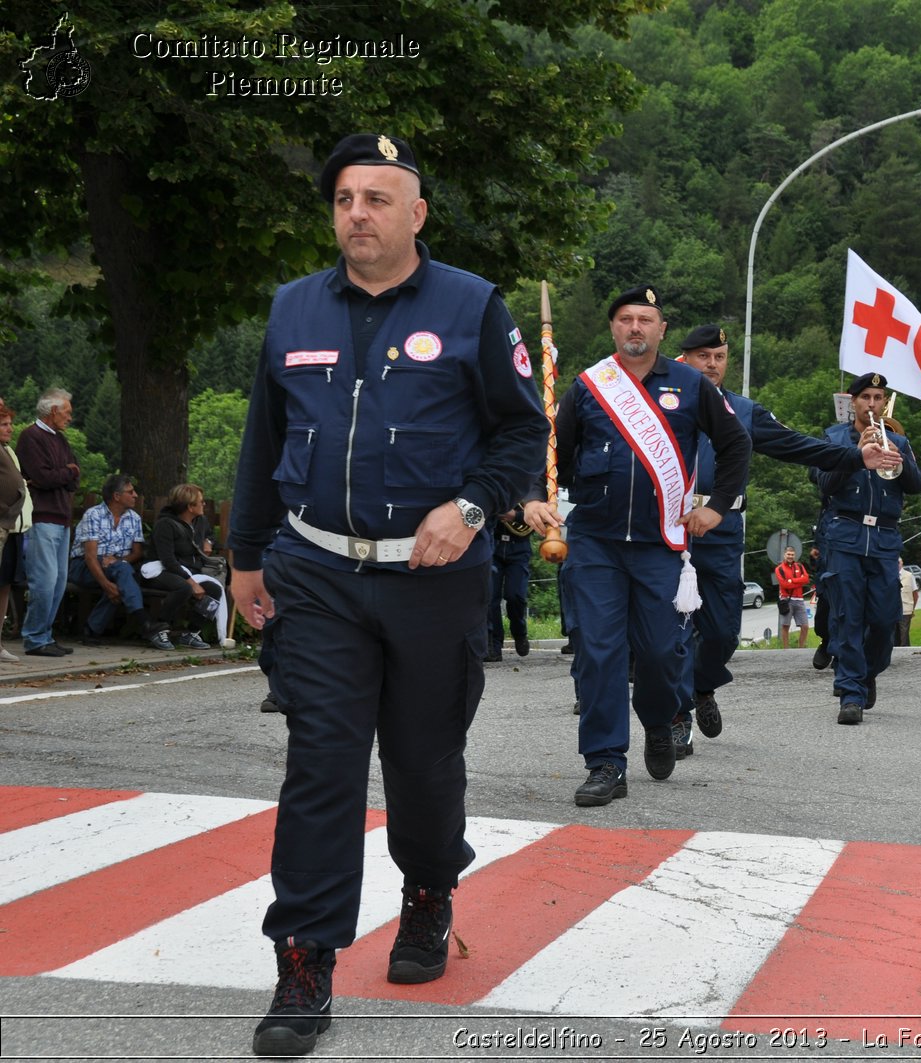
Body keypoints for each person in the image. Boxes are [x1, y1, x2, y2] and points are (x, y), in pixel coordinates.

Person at [228, 133, 547, 1056]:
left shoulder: (472, 306)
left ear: (416, 213)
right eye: (342, 199)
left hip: (434, 577)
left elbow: (521, 434)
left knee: (420, 758)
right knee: (321, 763)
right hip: (318, 571)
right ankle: (304, 958)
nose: (356, 213)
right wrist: (247, 552)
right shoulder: (293, 311)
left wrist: (475, 506)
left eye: (377, 197)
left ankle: (429, 890)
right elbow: (262, 438)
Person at [522, 287, 749, 803]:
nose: (635, 328)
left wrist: (715, 507)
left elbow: (736, 446)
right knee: (598, 654)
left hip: (660, 544)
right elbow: (550, 450)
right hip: (595, 543)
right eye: (625, 319)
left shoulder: (691, 385)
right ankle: (605, 763)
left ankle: (658, 717)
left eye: (645, 319)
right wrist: (535, 497)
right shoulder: (588, 387)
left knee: (659, 655)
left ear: (661, 330)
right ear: (613, 328)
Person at [673, 324, 889, 756]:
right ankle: (676, 716)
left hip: (720, 528)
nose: (712, 364)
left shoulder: (744, 411)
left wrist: (854, 456)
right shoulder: (663, 406)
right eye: (702, 356)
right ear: (685, 360)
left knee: (723, 632)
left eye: (719, 357)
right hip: (670, 527)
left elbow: (799, 446)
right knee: (671, 629)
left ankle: (702, 685)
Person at [815, 371, 921, 724]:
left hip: (884, 539)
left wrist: (898, 459)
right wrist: (855, 452)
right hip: (844, 534)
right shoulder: (833, 438)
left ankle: (867, 672)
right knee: (847, 616)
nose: (873, 405)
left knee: (882, 619)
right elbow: (824, 485)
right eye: (866, 398)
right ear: (853, 401)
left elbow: (917, 485)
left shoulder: (899, 441)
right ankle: (850, 692)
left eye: (879, 399)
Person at [68, 475, 178, 650]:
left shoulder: (134, 518)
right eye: (130, 492)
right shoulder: (93, 515)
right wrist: (106, 585)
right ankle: (145, 623)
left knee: (122, 573)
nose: (135, 495)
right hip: (84, 566)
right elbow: (89, 557)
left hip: (116, 568)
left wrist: (118, 561)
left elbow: (137, 553)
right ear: (116, 496)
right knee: (122, 576)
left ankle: (91, 630)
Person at [15, 388, 79, 658]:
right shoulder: (30, 437)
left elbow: (74, 476)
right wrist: (66, 472)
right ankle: (34, 637)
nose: (69, 418)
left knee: (59, 581)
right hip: (42, 516)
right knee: (45, 580)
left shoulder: (60, 440)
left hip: (61, 517)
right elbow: (42, 477)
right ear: (53, 411)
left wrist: (64, 473)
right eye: (67, 412)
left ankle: (45, 634)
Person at [144, 483, 224, 650]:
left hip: (188, 571)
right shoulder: (165, 525)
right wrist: (191, 582)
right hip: (160, 571)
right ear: (190, 506)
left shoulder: (199, 521)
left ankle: (191, 633)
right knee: (184, 588)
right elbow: (168, 560)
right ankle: (158, 628)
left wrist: (208, 542)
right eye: (200, 502)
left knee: (215, 590)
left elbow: (210, 535)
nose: (204, 505)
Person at [0, 401, 31, 662]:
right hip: (2, 522)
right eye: (4, 424)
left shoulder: (8, 450)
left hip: (12, 527)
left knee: (5, 584)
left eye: (10, 423)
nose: (10, 428)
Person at [484, 508, 534, 662]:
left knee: (515, 595)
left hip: (519, 547)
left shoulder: (529, 488)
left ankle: (520, 633)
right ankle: (493, 645)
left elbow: (540, 517)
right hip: (493, 544)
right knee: (490, 597)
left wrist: (516, 515)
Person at [774, 546, 812, 650]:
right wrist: (798, 582)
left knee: (805, 626)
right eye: (788, 554)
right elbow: (784, 585)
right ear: (784, 555)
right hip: (786, 600)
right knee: (785, 625)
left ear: (795, 555)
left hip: (799, 600)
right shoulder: (779, 569)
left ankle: (800, 649)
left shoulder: (799, 566)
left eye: (792, 554)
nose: (790, 556)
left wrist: (792, 580)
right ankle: (786, 649)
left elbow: (806, 579)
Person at [896, 557, 918, 646]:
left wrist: (912, 609)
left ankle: (904, 653)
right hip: (892, 610)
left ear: (902, 563)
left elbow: (915, 594)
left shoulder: (909, 576)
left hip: (905, 610)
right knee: (893, 635)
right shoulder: (889, 574)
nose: (897, 564)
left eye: (898, 562)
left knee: (903, 634)